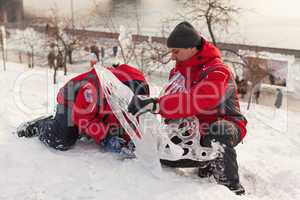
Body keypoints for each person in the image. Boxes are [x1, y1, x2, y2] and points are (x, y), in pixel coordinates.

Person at [127, 21, 247, 195]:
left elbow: (198, 100)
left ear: (192, 48)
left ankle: (230, 187)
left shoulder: (218, 71)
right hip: (191, 128)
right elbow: (174, 102)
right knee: (163, 155)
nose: (173, 56)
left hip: (226, 125)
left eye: (176, 51)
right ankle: (205, 163)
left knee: (219, 130)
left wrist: (156, 104)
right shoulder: (177, 72)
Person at [17, 64, 149, 156]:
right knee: (63, 139)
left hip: (96, 108)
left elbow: (132, 121)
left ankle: (74, 127)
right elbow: (83, 117)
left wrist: (131, 140)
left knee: (112, 126)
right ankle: (41, 125)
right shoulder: (93, 88)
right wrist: (106, 137)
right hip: (71, 102)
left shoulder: (140, 91)